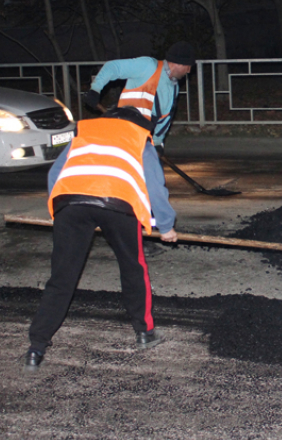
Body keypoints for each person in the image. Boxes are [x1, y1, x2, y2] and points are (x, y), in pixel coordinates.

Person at [23, 106, 179, 373]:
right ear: (137, 124)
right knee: (133, 268)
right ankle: (144, 333)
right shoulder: (139, 137)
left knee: (61, 278)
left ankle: (36, 348)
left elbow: (54, 175)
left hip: (70, 203)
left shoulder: (83, 133)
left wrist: (60, 212)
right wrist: (165, 226)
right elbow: (154, 185)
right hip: (118, 203)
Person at [84, 41, 196, 148]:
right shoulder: (148, 66)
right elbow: (113, 67)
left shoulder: (174, 88)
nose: (189, 71)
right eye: (188, 66)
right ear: (178, 62)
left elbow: (164, 118)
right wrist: (95, 89)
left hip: (141, 139)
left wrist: (157, 143)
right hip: (122, 131)